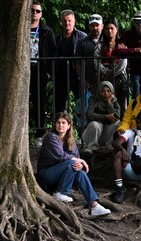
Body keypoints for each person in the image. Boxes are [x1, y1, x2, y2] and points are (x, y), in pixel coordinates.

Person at [36, 113, 111, 217]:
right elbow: (60, 156)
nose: (60, 125)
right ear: (54, 125)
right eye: (58, 122)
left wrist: (79, 166)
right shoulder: (51, 137)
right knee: (72, 162)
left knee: (80, 173)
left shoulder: (70, 140)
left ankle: (94, 205)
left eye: (63, 123)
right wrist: (80, 161)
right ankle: (61, 192)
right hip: (46, 174)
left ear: (69, 125)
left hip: (62, 177)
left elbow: (75, 158)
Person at [28, 2, 56, 144]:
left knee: (40, 102)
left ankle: (40, 134)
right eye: (32, 10)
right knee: (23, 102)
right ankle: (24, 133)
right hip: (24, 70)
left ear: (41, 14)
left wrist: (49, 71)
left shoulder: (46, 31)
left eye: (37, 11)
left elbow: (53, 51)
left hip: (40, 69)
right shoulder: (22, 29)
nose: (34, 13)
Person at [54, 10, 87, 116]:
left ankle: (82, 129)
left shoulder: (82, 37)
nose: (67, 23)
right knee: (59, 105)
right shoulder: (57, 38)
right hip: (61, 75)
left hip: (77, 75)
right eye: (64, 21)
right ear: (61, 22)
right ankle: (59, 129)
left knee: (81, 102)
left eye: (69, 21)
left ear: (74, 21)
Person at [117, 10, 141, 98]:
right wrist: (136, 50)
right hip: (136, 70)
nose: (140, 25)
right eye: (138, 22)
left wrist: (128, 50)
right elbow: (119, 51)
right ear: (134, 22)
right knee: (137, 92)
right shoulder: (128, 34)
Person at [81, 81, 120, 156]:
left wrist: (109, 103)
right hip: (92, 136)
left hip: (104, 136)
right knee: (95, 124)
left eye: (108, 91)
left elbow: (116, 117)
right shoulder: (94, 99)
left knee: (116, 123)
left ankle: (107, 147)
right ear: (99, 91)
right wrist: (105, 117)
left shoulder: (114, 102)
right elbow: (89, 114)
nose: (106, 94)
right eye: (103, 91)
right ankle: (91, 147)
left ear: (112, 91)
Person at [98, 17, 129, 111]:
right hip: (104, 75)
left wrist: (114, 73)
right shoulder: (100, 45)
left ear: (117, 30)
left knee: (122, 103)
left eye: (112, 28)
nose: (109, 31)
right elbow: (96, 62)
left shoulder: (121, 45)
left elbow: (124, 62)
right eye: (107, 29)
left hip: (119, 76)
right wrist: (107, 73)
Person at [74, 14, 104, 99]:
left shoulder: (107, 42)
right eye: (92, 25)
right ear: (89, 26)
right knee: (85, 109)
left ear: (102, 26)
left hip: (104, 82)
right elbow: (77, 64)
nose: (95, 28)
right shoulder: (81, 42)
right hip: (87, 83)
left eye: (97, 25)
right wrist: (83, 80)